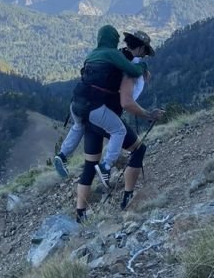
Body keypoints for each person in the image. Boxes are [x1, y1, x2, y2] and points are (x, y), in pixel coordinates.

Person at [74, 28, 164, 219]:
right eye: (145, 52)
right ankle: (128, 198)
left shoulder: (115, 57)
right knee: (138, 150)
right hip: (106, 117)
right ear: (140, 49)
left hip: (90, 113)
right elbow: (126, 102)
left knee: (90, 164)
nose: (145, 55)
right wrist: (148, 115)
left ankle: (80, 214)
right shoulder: (130, 68)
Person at [54, 28, 154, 183]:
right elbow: (133, 70)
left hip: (76, 101)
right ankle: (106, 166)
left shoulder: (92, 54)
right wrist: (143, 67)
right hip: (93, 104)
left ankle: (62, 155)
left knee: (78, 126)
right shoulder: (112, 53)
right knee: (119, 130)